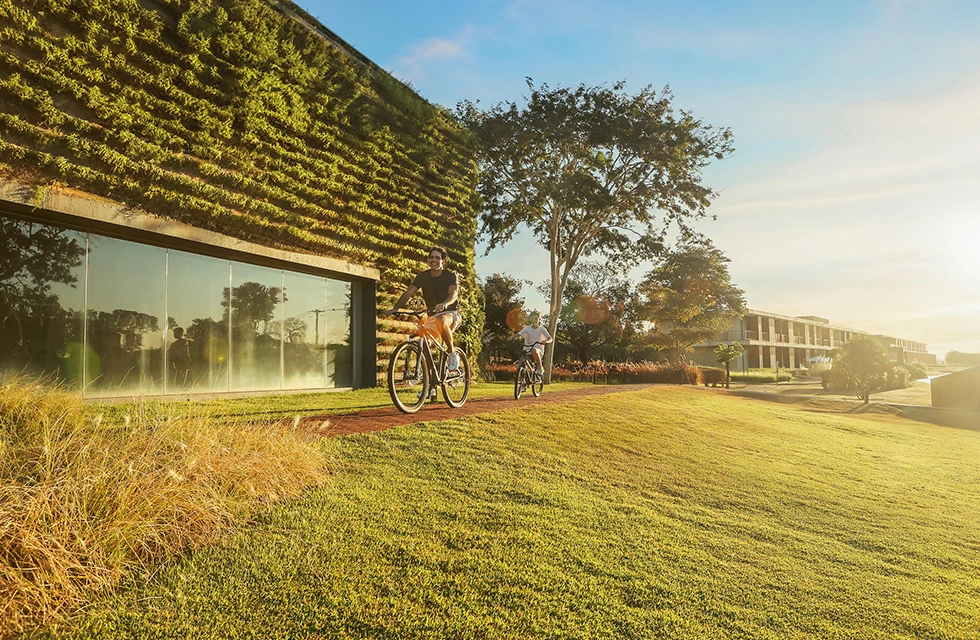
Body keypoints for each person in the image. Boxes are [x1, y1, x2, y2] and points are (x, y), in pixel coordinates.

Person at [387, 246, 463, 371]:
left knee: (442, 320)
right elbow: (408, 293)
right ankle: (432, 383)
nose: (434, 260)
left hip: (452, 313)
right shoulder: (423, 276)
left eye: (437, 258)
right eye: (431, 257)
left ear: (443, 261)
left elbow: (453, 294)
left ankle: (452, 353)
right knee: (424, 343)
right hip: (433, 315)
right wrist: (396, 308)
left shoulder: (450, 276)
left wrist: (444, 304)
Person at [510, 311, 552, 375]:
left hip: (538, 350)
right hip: (527, 349)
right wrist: (511, 337)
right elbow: (519, 334)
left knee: (534, 350)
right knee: (520, 363)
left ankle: (540, 367)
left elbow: (550, 339)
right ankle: (528, 374)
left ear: (539, 319)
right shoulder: (527, 328)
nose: (534, 320)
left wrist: (546, 341)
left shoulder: (542, 329)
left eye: (536, 318)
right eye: (532, 319)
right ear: (530, 319)